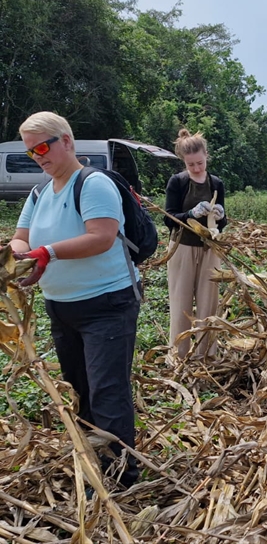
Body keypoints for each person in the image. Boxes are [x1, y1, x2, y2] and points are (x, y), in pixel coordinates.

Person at [9, 111, 141, 487]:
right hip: (62, 307)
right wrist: (17, 255)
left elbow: (100, 237)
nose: (38, 156)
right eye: (31, 151)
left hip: (106, 305)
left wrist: (47, 253)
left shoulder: (93, 184)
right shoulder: (39, 192)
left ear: (67, 141)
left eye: (43, 147)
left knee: (107, 391)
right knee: (78, 387)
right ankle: (95, 463)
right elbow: (22, 236)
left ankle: (122, 479)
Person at [164, 129, 227, 360]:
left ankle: (206, 356)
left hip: (209, 249)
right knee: (181, 303)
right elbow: (168, 217)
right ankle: (178, 356)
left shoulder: (216, 183)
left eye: (200, 163)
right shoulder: (178, 182)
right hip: (182, 248)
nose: (197, 168)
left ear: (206, 156)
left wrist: (220, 216)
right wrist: (190, 213)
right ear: (184, 162)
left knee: (208, 303)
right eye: (191, 165)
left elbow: (223, 222)